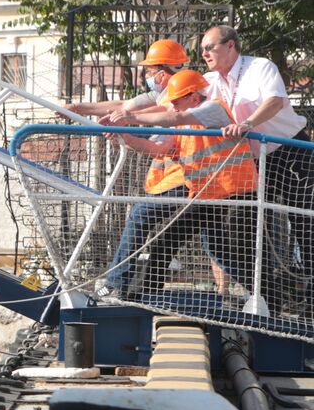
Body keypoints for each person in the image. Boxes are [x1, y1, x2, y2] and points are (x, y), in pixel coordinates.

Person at [100, 70, 261, 303]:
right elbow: (158, 149)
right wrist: (123, 137)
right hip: (208, 196)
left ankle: (266, 294)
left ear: (194, 98)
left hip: (234, 194)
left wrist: (129, 117)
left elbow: (174, 119)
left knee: (219, 249)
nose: (172, 106)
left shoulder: (214, 109)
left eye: (176, 101)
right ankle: (148, 294)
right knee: (204, 247)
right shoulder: (183, 126)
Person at [200, 25, 314, 279]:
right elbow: (170, 101)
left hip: (289, 150)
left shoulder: (260, 67)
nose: (204, 54)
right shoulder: (209, 82)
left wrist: (247, 123)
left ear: (231, 45)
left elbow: (274, 101)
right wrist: (125, 116)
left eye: (209, 47)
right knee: (248, 223)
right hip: (251, 160)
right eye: (202, 50)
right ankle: (264, 294)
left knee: (304, 222)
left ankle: (310, 301)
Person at [70, 38, 189, 123]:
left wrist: (129, 117)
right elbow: (124, 105)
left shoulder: (187, 93)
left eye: (151, 71)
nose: (147, 76)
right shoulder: (159, 94)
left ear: (163, 73)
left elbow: (167, 110)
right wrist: (75, 107)